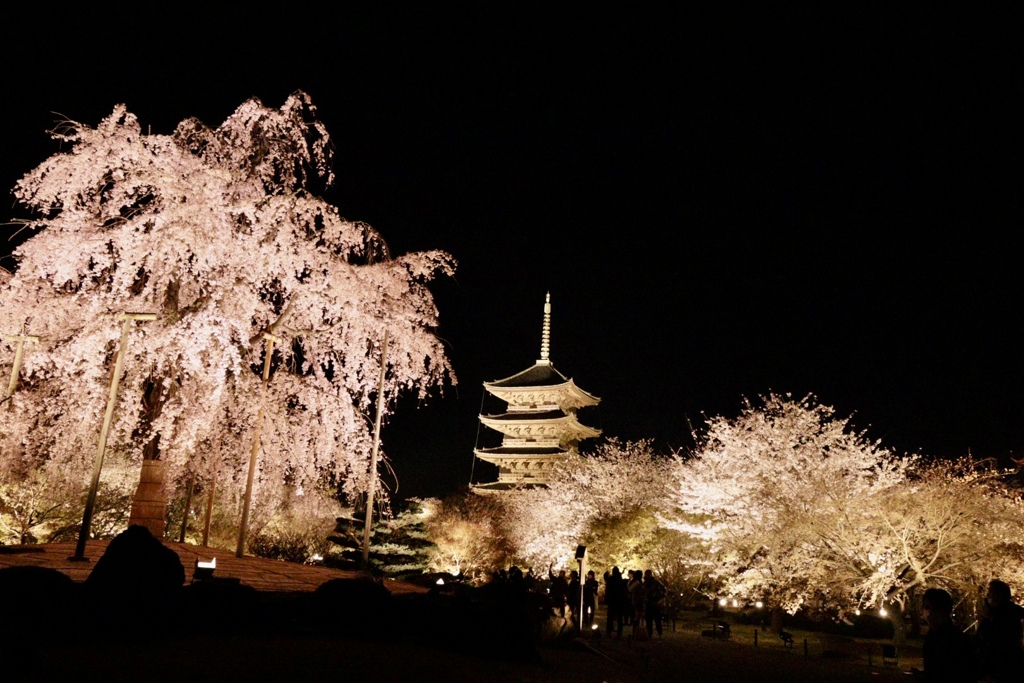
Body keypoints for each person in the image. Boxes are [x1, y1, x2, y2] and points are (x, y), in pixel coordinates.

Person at [911, 587, 977, 682]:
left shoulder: (957, 641)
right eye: (926, 607)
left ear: (945, 611)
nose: (929, 612)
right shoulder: (932, 636)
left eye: (935, 608)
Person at [976, 579, 1024, 682]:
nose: (988, 595)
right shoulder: (992, 615)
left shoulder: (1004, 617)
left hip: (1002, 669)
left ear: (999, 596)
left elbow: (998, 644)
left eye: (991, 592)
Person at [603, 567, 626, 638]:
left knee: (610, 617)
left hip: (612, 600)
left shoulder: (610, 580)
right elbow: (623, 591)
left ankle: (609, 631)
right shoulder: (621, 580)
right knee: (619, 618)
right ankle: (619, 632)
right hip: (619, 601)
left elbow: (607, 590)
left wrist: (606, 599)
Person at [643, 569, 666, 638]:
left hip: (654, 603)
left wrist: (660, 599)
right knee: (649, 620)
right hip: (649, 603)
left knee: (656, 620)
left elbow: (664, 590)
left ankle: (659, 633)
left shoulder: (655, 583)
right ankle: (650, 633)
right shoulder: (646, 583)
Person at [628, 570, 647, 640]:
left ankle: (636, 633)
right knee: (637, 617)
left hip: (636, 601)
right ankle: (635, 633)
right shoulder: (637, 582)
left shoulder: (635, 582)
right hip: (637, 601)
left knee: (637, 617)